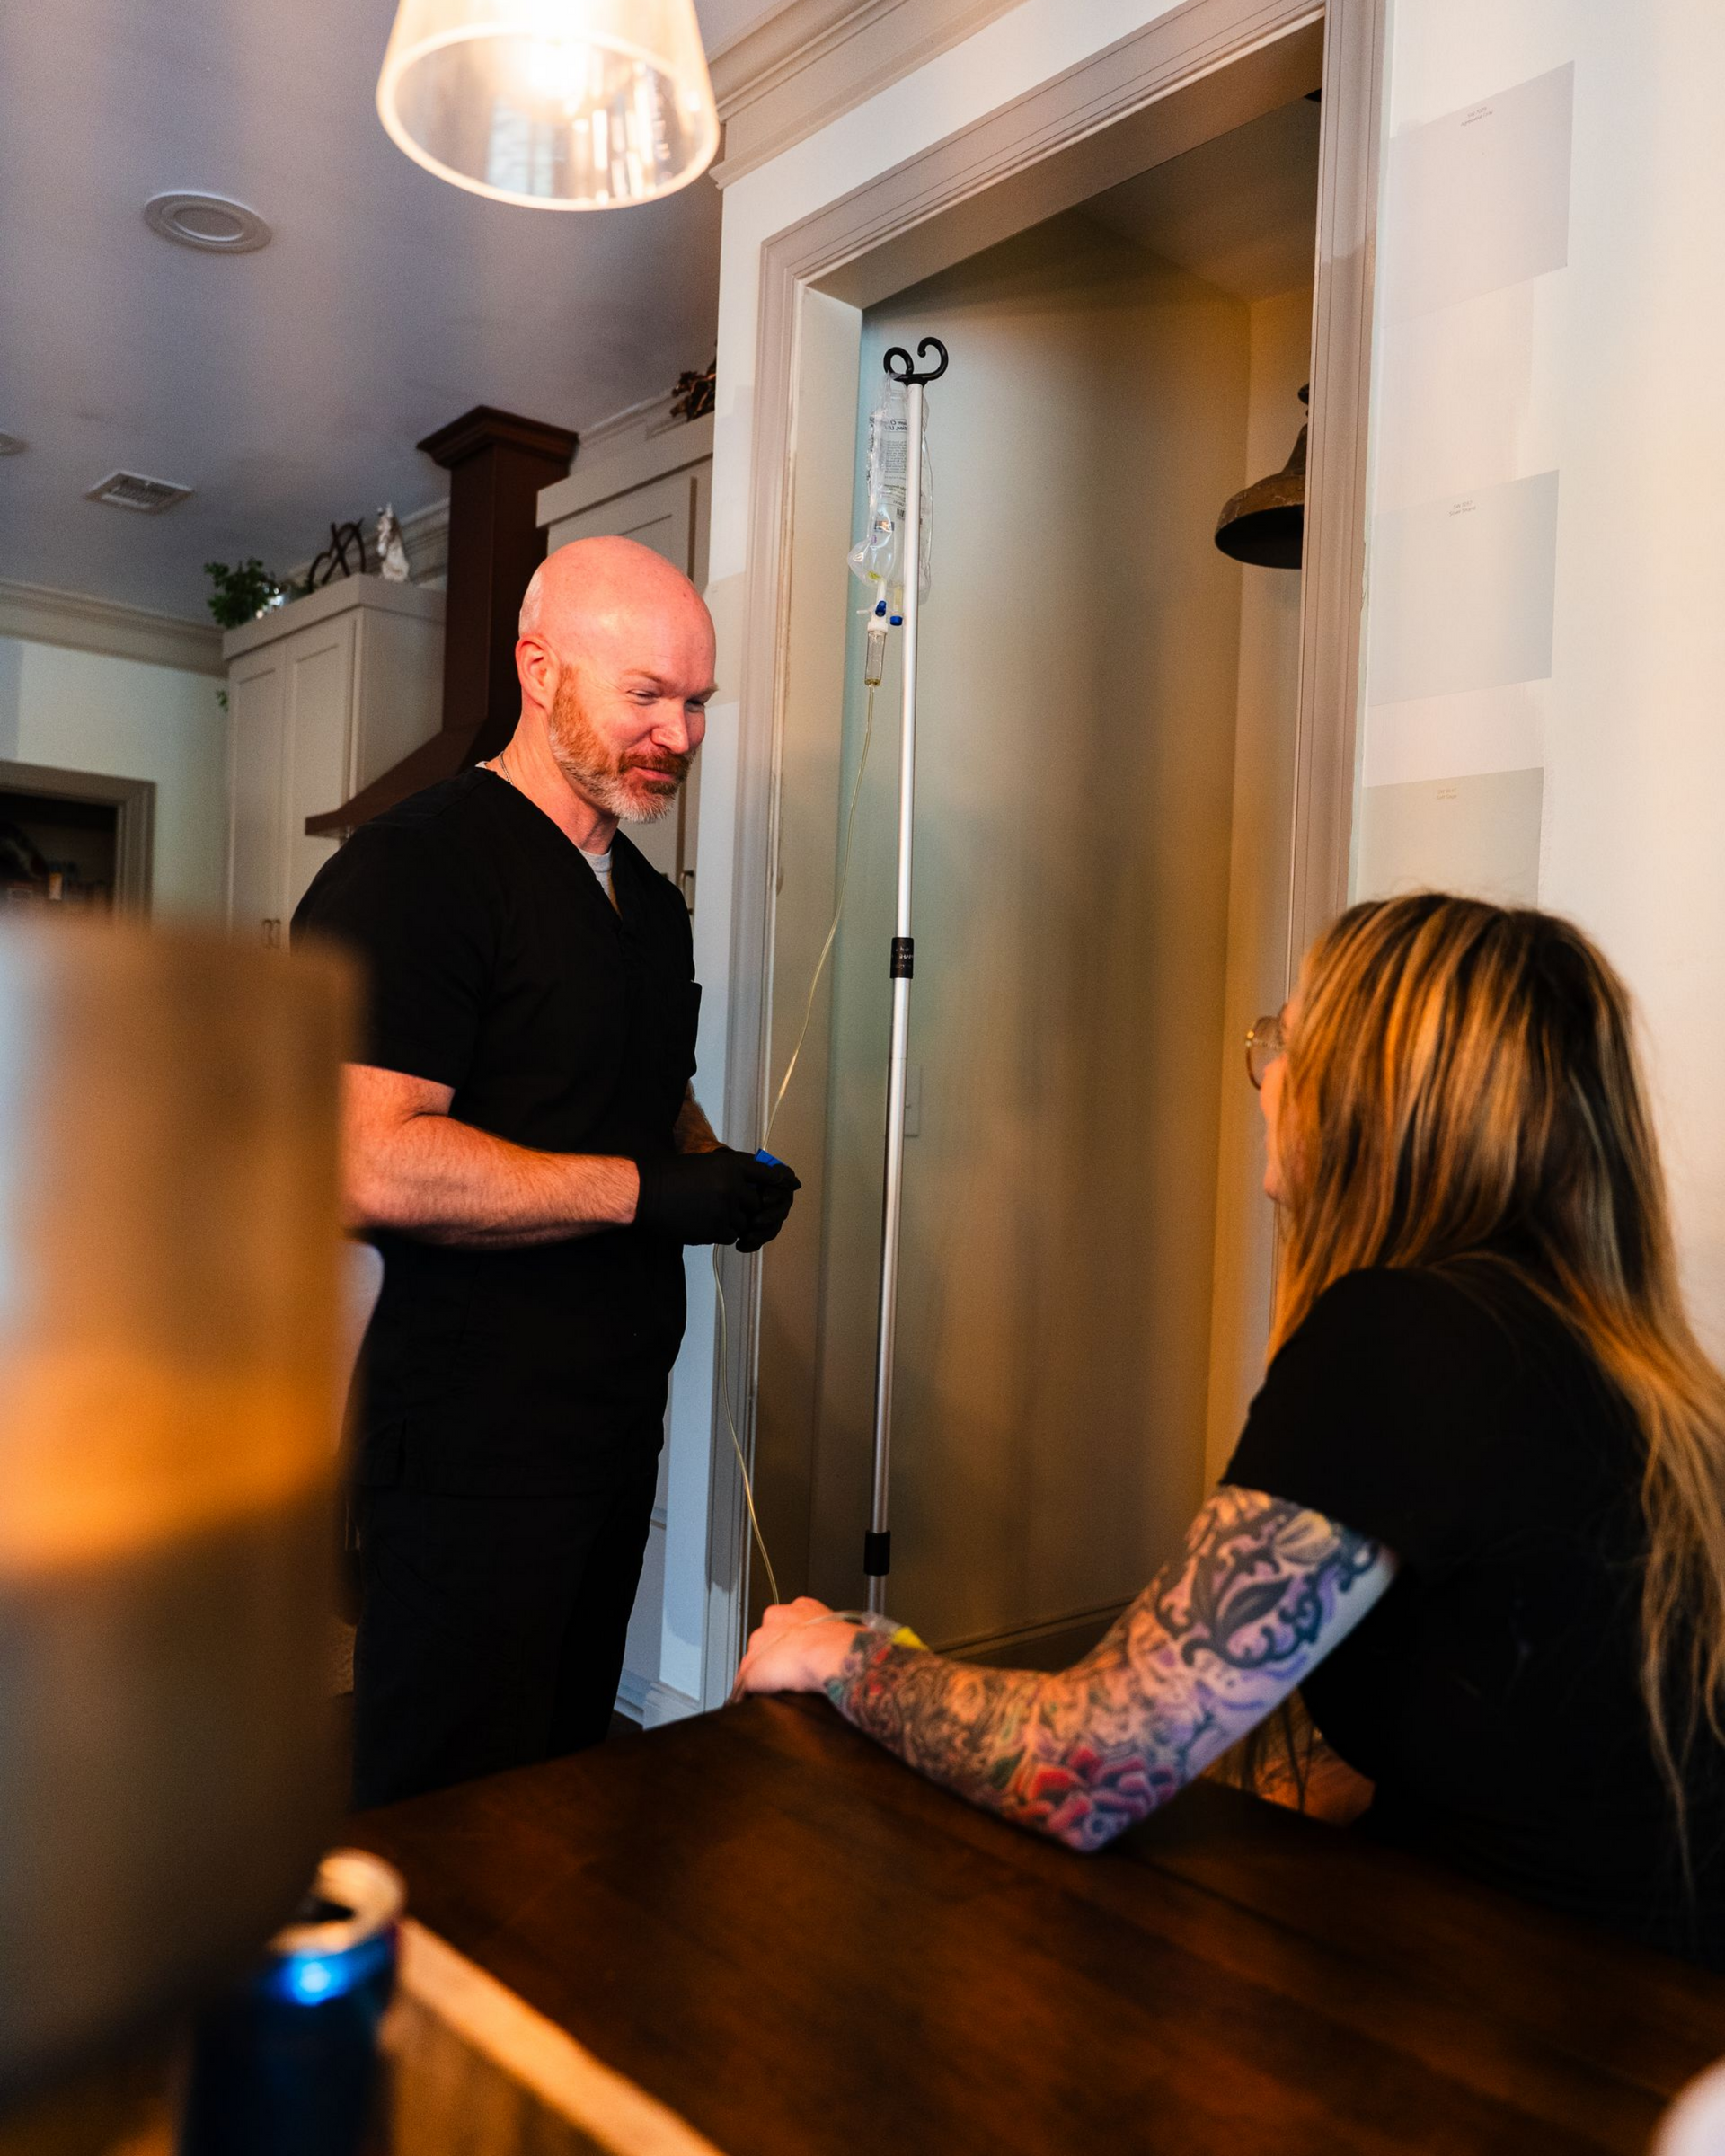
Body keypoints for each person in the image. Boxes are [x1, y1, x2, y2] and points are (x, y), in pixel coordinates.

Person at [738, 893, 1725, 1966]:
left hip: (1556, 2043)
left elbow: (1093, 1765)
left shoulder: (1404, 1337)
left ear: (1367, 1098)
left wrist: (845, 1654)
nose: (1263, 1082)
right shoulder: (1606, 1349)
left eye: (1282, 1043)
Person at [295, 535, 799, 1809]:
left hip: (616, 1417)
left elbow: (634, 1083)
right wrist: (645, 1193)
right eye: (645, 697)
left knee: (565, 1776)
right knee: (451, 1802)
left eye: (697, 704)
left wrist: (710, 1163)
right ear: (539, 669)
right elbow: (367, 1160)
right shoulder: (418, 870)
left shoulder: (649, 899)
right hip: (469, 1439)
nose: (679, 735)